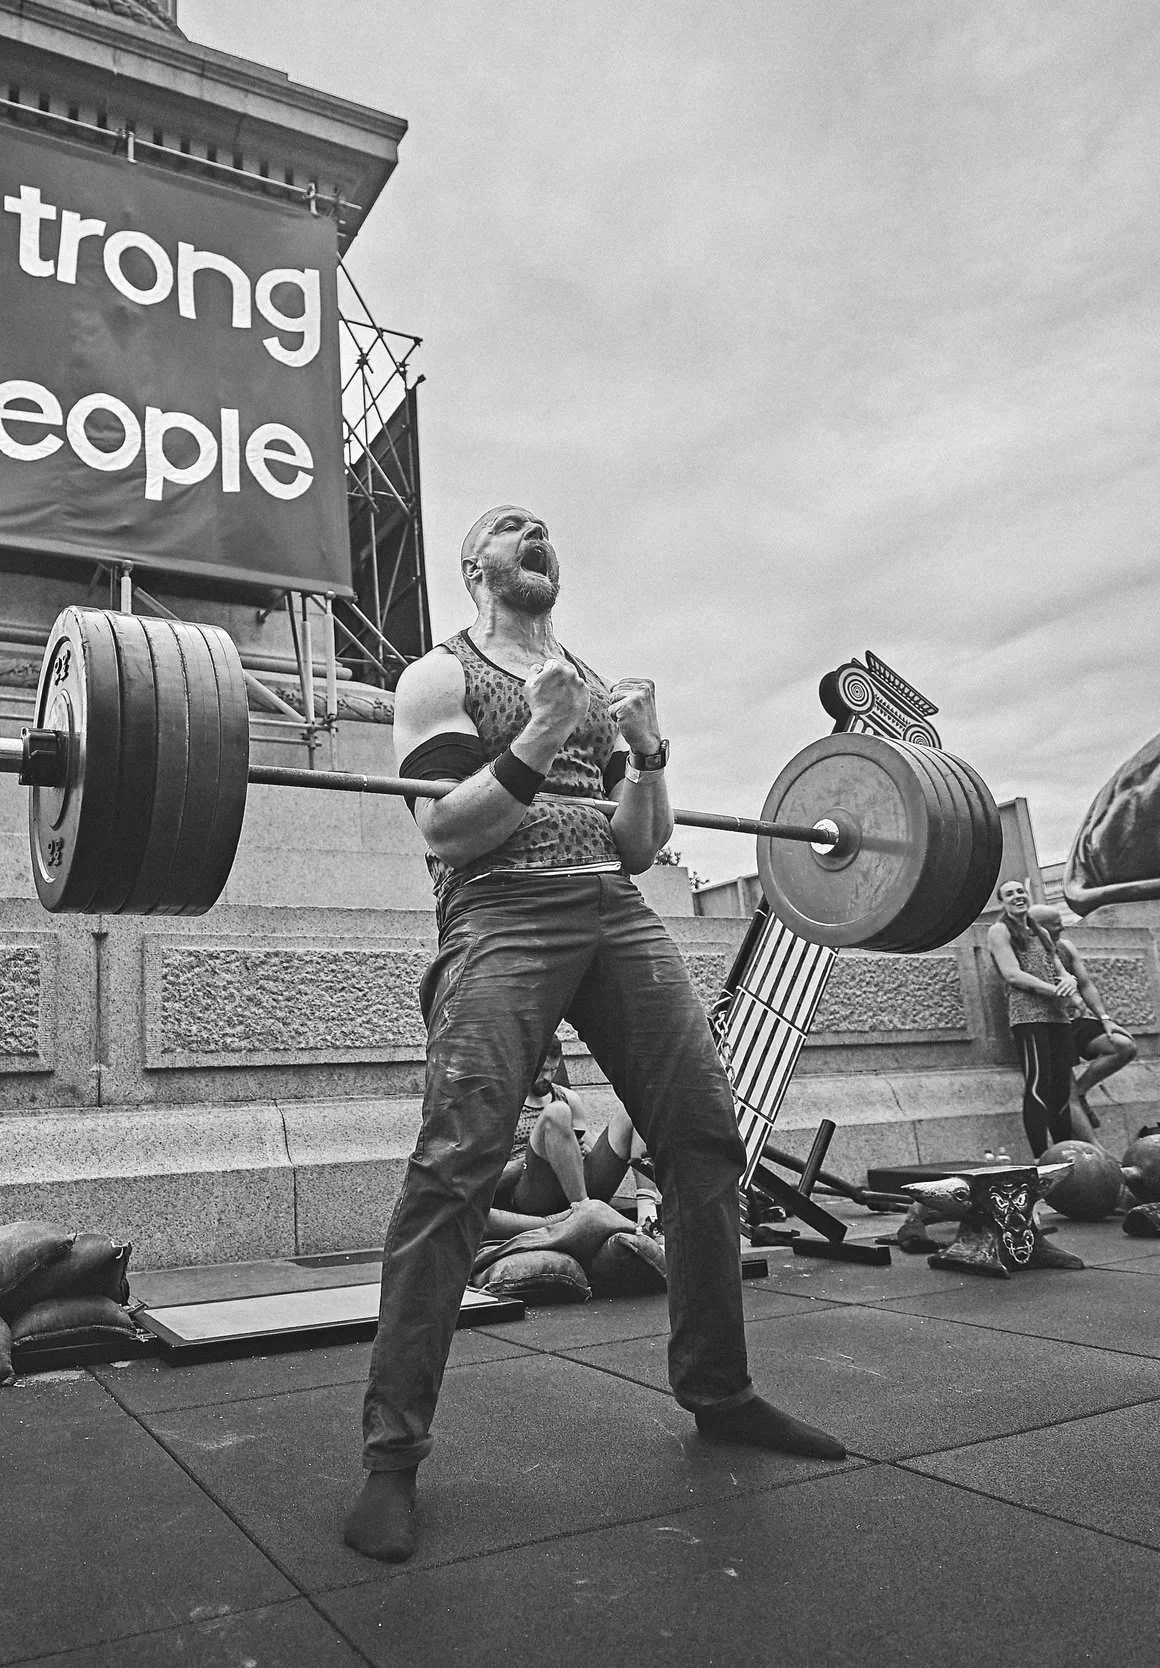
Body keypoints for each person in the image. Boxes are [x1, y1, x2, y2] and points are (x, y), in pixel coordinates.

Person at [344, 504, 844, 1566]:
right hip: (500, 910)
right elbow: (443, 828)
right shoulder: (438, 675)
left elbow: (640, 843)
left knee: (706, 1140)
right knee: (454, 1167)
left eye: (544, 527)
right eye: (508, 525)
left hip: (612, 907)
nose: (535, 532)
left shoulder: (592, 678)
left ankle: (720, 1389)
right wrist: (537, 726)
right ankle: (392, 1456)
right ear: (474, 563)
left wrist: (648, 748)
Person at [489, 1040, 660, 1237]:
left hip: (577, 1183)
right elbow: (488, 1177)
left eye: (553, 1070)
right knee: (557, 1112)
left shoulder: (568, 1097)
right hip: (534, 1189)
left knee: (637, 1105)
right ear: (526, 1063)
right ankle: (584, 1213)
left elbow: (595, 1149)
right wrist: (549, 1153)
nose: (548, 1078)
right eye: (543, 1070)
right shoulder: (506, 1103)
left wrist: (580, 1151)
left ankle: (648, 1217)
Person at [987, 881, 1084, 1155]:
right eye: (1010, 894)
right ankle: (1041, 1156)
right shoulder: (1000, 930)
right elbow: (1012, 974)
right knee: (1038, 1083)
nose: (1017, 897)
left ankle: (1064, 1153)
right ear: (1002, 903)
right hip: (1028, 1016)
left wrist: (1069, 983)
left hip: (1057, 1016)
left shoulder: (1040, 931)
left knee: (1061, 1086)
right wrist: (1055, 990)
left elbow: (1059, 968)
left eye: (1020, 892)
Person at [1036, 906, 1139, 1133]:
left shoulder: (1066, 947)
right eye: (1056, 923)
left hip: (1074, 1022)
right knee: (1064, 1090)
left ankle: (1081, 1091)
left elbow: (1086, 984)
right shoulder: (1026, 953)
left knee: (1124, 1046)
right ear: (1039, 928)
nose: (1062, 927)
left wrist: (1105, 1018)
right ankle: (1093, 1151)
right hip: (1048, 1025)